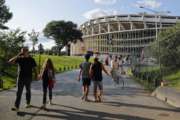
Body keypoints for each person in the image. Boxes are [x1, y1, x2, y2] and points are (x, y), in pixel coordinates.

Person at [9, 47, 37, 112]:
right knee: (19, 92)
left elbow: (34, 68)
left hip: (28, 78)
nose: (23, 53)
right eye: (22, 51)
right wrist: (18, 55)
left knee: (28, 91)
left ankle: (28, 103)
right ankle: (16, 107)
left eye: (24, 51)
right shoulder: (19, 59)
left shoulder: (31, 59)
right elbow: (10, 61)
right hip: (20, 78)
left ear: (27, 52)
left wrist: (36, 75)